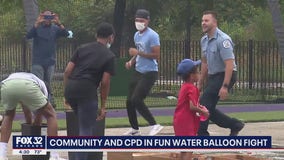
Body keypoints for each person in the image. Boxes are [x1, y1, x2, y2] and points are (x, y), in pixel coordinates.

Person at [63, 22, 115, 160]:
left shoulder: (82, 48)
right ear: (111, 38)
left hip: (72, 87)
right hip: (87, 89)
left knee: (82, 125)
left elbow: (68, 71)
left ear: (96, 35)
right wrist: (103, 105)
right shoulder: (109, 56)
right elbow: (105, 82)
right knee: (86, 129)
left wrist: (66, 93)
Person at [197, 10, 244, 136]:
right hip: (214, 76)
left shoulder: (223, 40)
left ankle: (202, 134)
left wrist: (225, 86)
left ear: (215, 22)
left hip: (225, 74)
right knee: (209, 108)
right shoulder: (204, 40)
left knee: (203, 104)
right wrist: (200, 82)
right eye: (202, 20)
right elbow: (205, 63)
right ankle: (235, 125)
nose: (203, 23)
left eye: (206, 20)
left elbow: (229, 64)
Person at [0, 72, 65, 160]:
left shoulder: (32, 78)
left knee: (9, 116)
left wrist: (30, 124)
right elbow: (40, 113)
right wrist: (37, 123)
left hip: (7, 84)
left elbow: (26, 111)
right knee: (51, 115)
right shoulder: (43, 87)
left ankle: (1, 155)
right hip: (27, 84)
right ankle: (54, 156)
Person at [124, 9, 163, 136]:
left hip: (150, 72)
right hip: (138, 70)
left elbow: (156, 55)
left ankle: (154, 124)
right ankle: (135, 129)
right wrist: (132, 61)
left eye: (142, 20)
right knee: (129, 101)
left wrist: (138, 53)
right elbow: (139, 53)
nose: (139, 23)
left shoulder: (153, 35)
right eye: (137, 20)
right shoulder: (137, 35)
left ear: (147, 21)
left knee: (137, 99)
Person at [26, 10, 70, 108]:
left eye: (49, 17)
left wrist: (59, 23)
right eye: (45, 17)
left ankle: (48, 104)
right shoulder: (37, 28)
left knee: (47, 84)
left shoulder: (55, 28)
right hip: (38, 61)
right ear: (42, 17)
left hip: (50, 61)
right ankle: (39, 104)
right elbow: (28, 36)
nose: (47, 19)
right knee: (38, 83)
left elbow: (66, 34)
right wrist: (37, 23)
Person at [174, 59, 209, 160]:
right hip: (186, 121)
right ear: (191, 75)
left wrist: (199, 107)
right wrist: (203, 112)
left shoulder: (184, 86)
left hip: (179, 120)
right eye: (197, 72)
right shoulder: (192, 88)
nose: (199, 74)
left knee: (183, 148)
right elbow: (192, 107)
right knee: (189, 147)